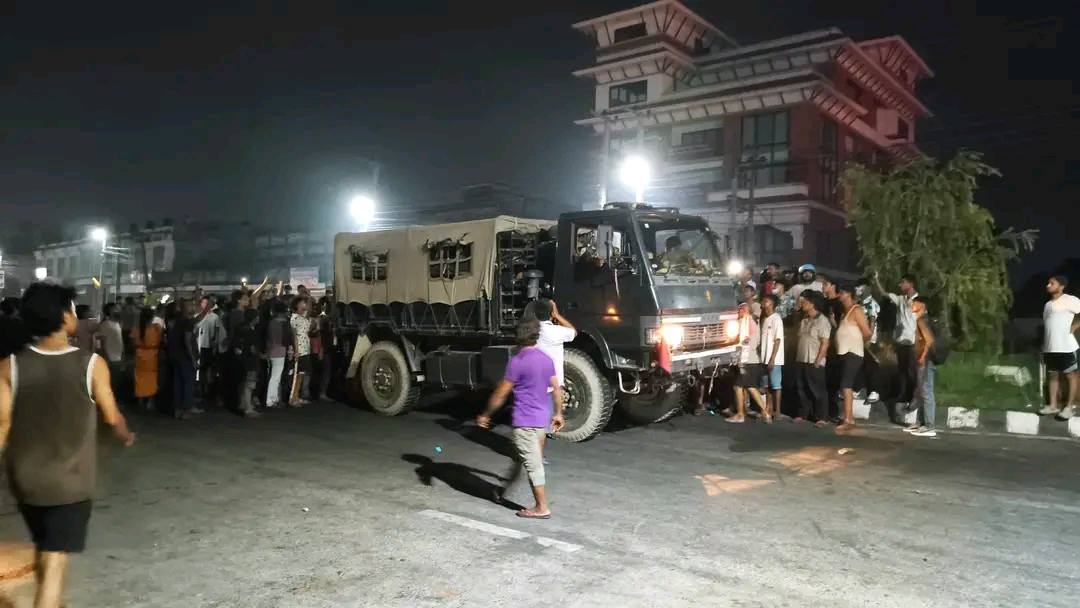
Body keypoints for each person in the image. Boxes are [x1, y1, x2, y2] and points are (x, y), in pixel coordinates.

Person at [0, 282, 135, 608]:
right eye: (73, 310)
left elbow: (2, 425)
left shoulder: (9, 366)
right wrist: (124, 434)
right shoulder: (91, 364)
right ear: (63, 317)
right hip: (70, 481)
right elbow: (111, 416)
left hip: (26, 480)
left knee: (46, 545)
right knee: (56, 557)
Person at [476, 319, 565, 519]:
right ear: (537, 335)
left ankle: (541, 507)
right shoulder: (546, 359)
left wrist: (486, 414)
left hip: (525, 422)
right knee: (521, 459)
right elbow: (557, 389)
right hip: (541, 419)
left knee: (533, 464)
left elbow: (501, 394)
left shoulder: (518, 361)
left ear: (518, 336)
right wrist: (558, 413)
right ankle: (502, 492)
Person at [875, 273, 919, 408]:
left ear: (910, 284)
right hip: (900, 342)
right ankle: (903, 396)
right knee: (902, 371)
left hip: (911, 342)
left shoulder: (919, 301)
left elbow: (921, 323)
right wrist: (876, 279)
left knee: (911, 372)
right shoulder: (900, 299)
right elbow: (884, 293)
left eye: (903, 282)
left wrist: (918, 342)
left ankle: (913, 397)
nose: (900, 285)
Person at [1038, 275, 1080, 419]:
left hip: (1066, 347)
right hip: (1050, 348)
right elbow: (1048, 325)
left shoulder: (1070, 300)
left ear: (1061, 286)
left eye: (1052, 283)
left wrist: (1075, 326)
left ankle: (1069, 407)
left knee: (1071, 376)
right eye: (1048, 283)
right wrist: (1044, 346)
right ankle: (1053, 406)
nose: (1048, 285)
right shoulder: (1047, 305)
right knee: (1053, 376)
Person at [835, 285, 873, 430]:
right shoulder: (844, 313)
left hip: (853, 352)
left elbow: (867, 332)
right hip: (844, 352)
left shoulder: (856, 310)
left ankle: (848, 419)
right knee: (846, 385)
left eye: (842, 292)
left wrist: (857, 342)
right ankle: (849, 418)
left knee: (846, 385)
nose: (839, 295)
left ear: (849, 294)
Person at [794, 292, 832, 427]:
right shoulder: (804, 320)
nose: (802, 304)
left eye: (805, 302)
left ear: (812, 303)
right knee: (802, 388)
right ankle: (804, 413)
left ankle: (822, 417)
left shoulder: (822, 321)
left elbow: (825, 343)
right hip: (801, 358)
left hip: (814, 360)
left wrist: (818, 360)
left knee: (818, 390)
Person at [729, 303, 769, 423]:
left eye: (740, 310)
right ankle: (765, 413)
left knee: (738, 386)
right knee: (750, 386)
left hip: (747, 360)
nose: (738, 312)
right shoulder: (752, 323)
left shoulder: (746, 323)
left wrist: (741, 359)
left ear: (745, 310)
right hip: (752, 360)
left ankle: (740, 414)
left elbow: (747, 342)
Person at [905, 297, 939, 437]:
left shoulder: (922, 320)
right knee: (920, 391)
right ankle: (921, 422)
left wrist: (923, 357)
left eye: (915, 303)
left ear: (922, 306)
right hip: (923, 360)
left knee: (926, 391)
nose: (912, 305)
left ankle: (930, 426)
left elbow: (929, 341)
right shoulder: (919, 320)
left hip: (926, 361)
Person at [167, 299, 199, 419]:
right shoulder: (188, 322)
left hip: (176, 356)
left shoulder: (176, 321)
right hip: (185, 356)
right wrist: (193, 358)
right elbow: (187, 340)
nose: (193, 307)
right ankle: (186, 409)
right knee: (188, 383)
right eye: (191, 305)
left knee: (178, 383)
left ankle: (177, 409)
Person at [194, 295, 227, 405]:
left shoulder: (215, 317)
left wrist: (215, 342)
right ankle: (202, 392)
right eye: (203, 303)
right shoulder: (197, 316)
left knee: (209, 371)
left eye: (207, 303)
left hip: (210, 347)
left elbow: (217, 330)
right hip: (199, 346)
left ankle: (209, 393)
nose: (205, 305)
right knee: (201, 370)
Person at [855, 279, 882, 403]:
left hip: (869, 340)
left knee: (871, 365)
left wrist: (868, 338)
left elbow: (872, 321)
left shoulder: (871, 304)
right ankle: (858, 388)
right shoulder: (858, 303)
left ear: (867, 288)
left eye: (859, 286)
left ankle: (874, 391)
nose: (857, 289)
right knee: (859, 364)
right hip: (858, 339)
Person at [232, 308, 262, 418]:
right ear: (254, 318)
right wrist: (259, 354)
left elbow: (236, 346)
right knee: (249, 385)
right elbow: (253, 348)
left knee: (243, 383)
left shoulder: (240, 329)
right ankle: (248, 409)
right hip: (251, 361)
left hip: (242, 361)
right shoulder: (251, 332)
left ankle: (243, 403)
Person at [132, 307, 163, 412]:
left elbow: (133, 343)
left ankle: (140, 400)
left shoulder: (136, 329)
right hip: (152, 357)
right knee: (151, 379)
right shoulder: (156, 328)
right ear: (152, 317)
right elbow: (161, 341)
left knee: (139, 379)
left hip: (139, 356)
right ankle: (150, 401)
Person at [760, 294, 785, 418]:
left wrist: (772, 358)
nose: (763, 303)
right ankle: (769, 408)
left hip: (774, 359)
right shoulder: (765, 319)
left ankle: (778, 410)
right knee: (767, 385)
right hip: (764, 358)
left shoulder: (776, 319)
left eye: (766, 301)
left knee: (776, 385)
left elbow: (778, 340)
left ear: (772, 304)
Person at [264, 299, 292, 408]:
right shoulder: (285, 323)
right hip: (280, 350)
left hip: (272, 350)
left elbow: (269, 339)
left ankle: (273, 398)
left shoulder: (272, 322)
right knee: (276, 377)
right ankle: (271, 400)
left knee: (274, 376)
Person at [288, 297, 313, 406]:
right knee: (297, 375)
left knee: (301, 374)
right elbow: (294, 335)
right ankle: (293, 398)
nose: (305, 305)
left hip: (305, 349)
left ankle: (296, 397)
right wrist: (296, 351)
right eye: (303, 303)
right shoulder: (295, 318)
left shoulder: (303, 317)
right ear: (297, 305)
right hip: (299, 350)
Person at [315, 297, 335, 401]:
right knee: (325, 372)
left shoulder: (327, 318)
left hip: (328, 347)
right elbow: (319, 335)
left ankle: (322, 392)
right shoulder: (321, 319)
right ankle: (322, 393)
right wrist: (321, 349)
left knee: (326, 371)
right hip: (324, 348)